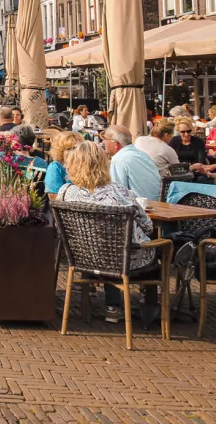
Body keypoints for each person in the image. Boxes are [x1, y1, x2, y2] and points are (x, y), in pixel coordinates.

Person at [56, 141, 156, 325]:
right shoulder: (120, 192)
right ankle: (148, 308)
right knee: (160, 248)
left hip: (83, 258)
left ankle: (113, 307)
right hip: (123, 261)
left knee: (108, 246)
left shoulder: (65, 192)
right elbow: (148, 226)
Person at [102, 125, 161, 201]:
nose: (103, 142)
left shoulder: (119, 159)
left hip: (140, 208)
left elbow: (117, 193)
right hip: (158, 204)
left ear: (116, 144)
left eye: (105, 139)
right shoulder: (143, 155)